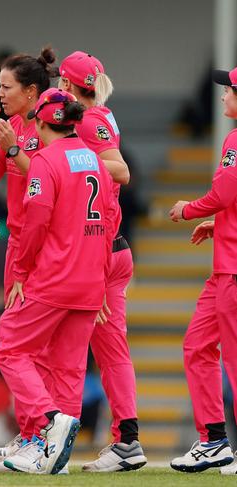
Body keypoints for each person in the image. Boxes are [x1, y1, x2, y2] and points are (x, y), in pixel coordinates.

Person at [0, 88, 115, 475]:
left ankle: (48, 422)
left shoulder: (45, 161)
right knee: (69, 369)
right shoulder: (96, 160)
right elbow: (110, 218)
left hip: (54, 277)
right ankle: (54, 458)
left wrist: (21, 272)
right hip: (90, 280)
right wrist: (103, 276)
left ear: (40, 120)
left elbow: (35, 223)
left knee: (10, 349)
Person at [48, 51, 146, 472]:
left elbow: (120, 170)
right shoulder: (101, 115)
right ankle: (124, 441)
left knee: (77, 350)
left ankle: (57, 439)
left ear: (68, 86)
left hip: (100, 252)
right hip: (111, 247)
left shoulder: (86, 120)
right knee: (109, 351)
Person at [0, 48, 58, 471]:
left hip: (40, 248)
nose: (0, 93)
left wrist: (9, 148)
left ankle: (43, 432)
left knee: (20, 345)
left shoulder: (48, 127)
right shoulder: (18, 125)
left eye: (7, 87)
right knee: (20, 345)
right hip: (18, 244)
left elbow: (50, 183)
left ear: (31, 91)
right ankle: (30, 433)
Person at [169, 66, 237, 475]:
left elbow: (227, 190)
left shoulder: (236, 138)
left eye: (229, 91)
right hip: (224, 268)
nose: (225, 97)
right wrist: (220, 223)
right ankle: (214, 440)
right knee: (197, 347)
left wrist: (189, 210)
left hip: (233, 272)